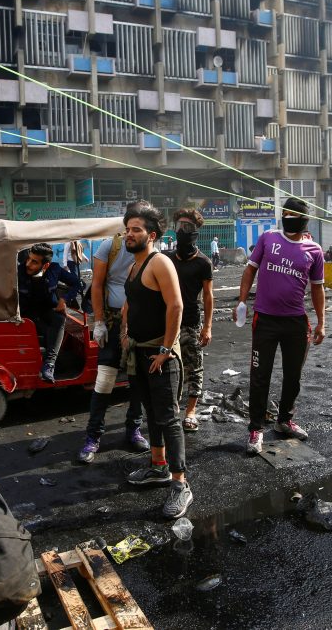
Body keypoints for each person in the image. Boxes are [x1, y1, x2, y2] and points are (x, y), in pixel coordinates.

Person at [233, 198, 326, 455]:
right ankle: (256, 428)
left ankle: (284, 420)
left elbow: (317, 288)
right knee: (260, 376)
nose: (288, 218)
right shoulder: (268, 238)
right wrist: (242, 300)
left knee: (293, 376)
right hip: (265, 320)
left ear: (304, 219)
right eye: (285, 214)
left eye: (293, 215)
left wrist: (321, 322)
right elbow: (250, 270)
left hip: (296, 322)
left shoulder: (314, 250)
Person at [119, 204, 191, 519]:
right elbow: (131, 302)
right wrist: (124, 330)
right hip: (139, 351)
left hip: (160, 354)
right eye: (127, 229)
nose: (129, 234)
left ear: (151, 234)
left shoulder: (159, 262)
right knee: (152, 413)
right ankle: (158, 466)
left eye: (136, 229)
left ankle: (180, 484)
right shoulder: (134, 265)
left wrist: (165, 348)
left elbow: (176, 306)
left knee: (169, 418)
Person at [78, 230, 149, 463]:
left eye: (139, 227)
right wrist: (98, 322)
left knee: (137, 379)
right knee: (104, 380)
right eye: (131, 226)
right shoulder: (110, 246)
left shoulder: (152, 252)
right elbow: (96, 285)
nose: (132, 232)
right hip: (111, 321)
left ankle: (133, 430)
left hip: (138, 324)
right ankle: (93, 436)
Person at [166, 209, 214, 432]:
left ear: (195, 232)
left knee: (194, 368)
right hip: (166, 322)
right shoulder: (165, 260)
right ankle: (171, 409)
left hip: (190, 323)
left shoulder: (203, 262)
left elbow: (208, 296)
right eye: (179, 227)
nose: (182, 231)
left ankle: (191, 412)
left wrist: (208, 327)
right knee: (168, 368)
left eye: (187, 227)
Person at [18, 242, 80, 383]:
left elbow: (76, 283)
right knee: (48, 333)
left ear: (45, 265)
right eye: (28, 259)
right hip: (26, 314)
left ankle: (49, 366)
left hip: (47, 310)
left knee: (59, 320)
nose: (28, 264)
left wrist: (64, 300)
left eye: (34, 262)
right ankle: (52, 362)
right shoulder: (18, 271)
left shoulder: (55, 269)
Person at [62, 239, 88, 310]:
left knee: (77, 284)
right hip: (70, 264)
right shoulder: (68, 242)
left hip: (76, 263)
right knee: (78, 283)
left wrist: (84, 257)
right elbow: (65, 253)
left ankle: (71, 298)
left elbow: (79, 251)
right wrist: (65, 265)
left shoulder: (77, 241)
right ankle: (69, 298)